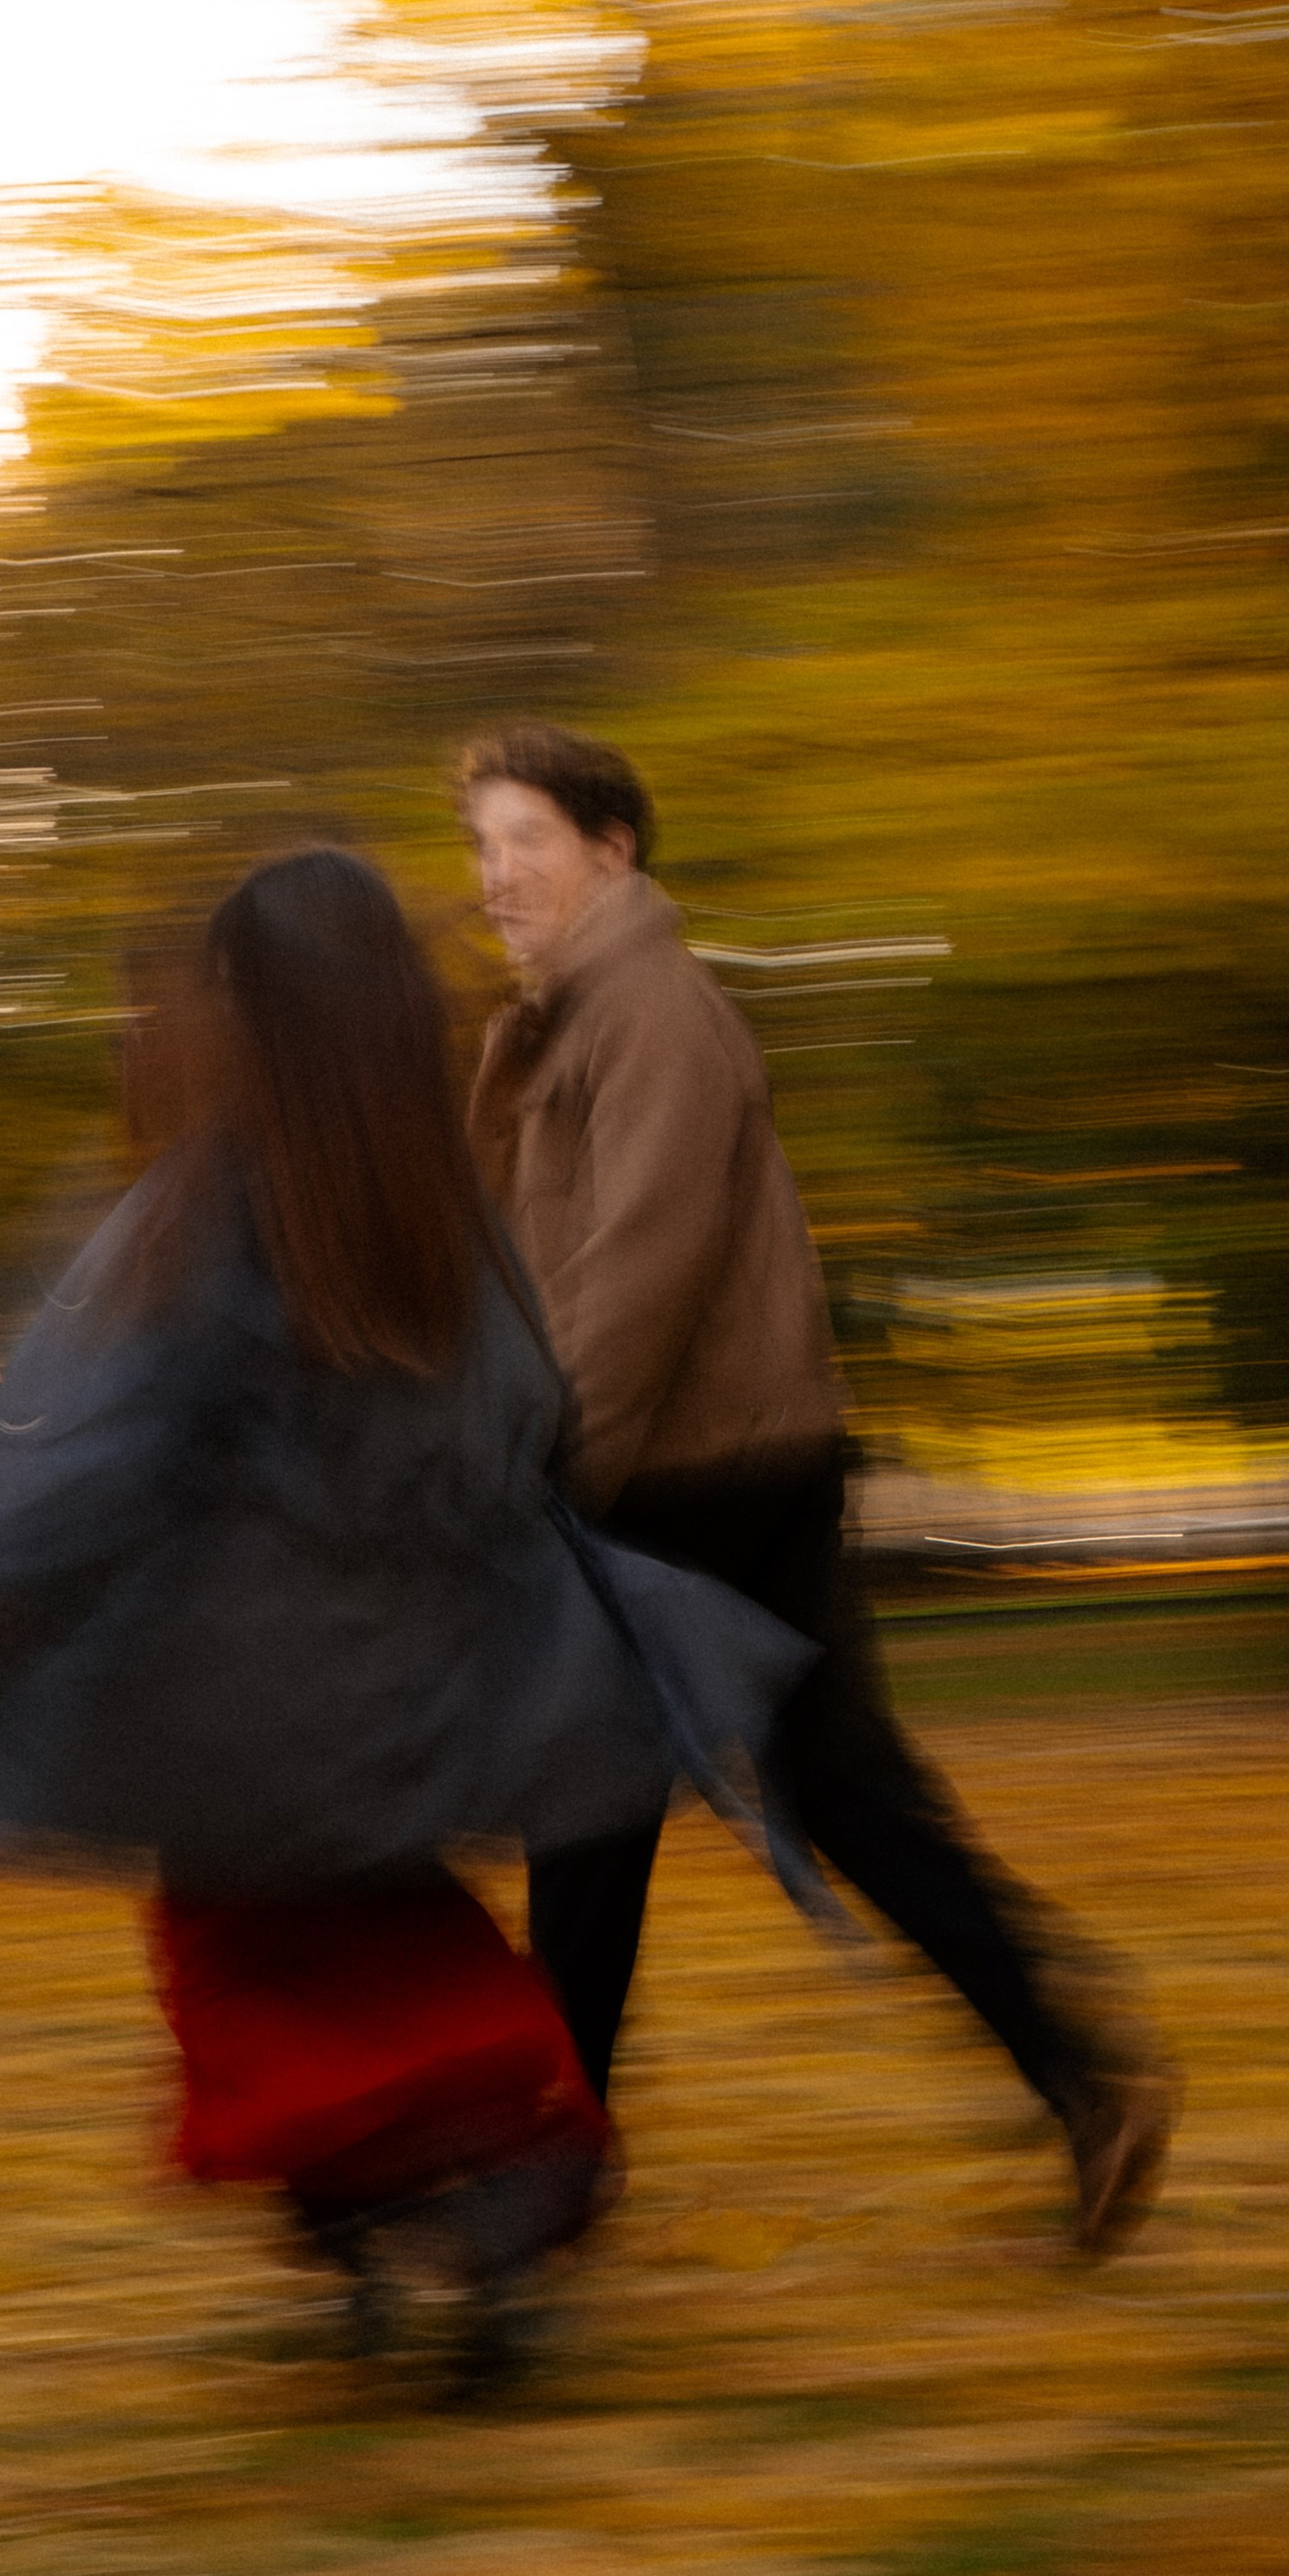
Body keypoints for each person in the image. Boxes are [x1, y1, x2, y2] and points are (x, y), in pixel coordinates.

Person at [0, 847, 813, 2379]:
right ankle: (444, 2189)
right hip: (399, 1672)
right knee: (383, 1917)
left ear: (242, 1007)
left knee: (246, 1950)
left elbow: (117, 1434)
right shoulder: (430, 1198)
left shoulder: (218, 1198)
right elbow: (523, 1408)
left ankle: (433, 2182)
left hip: (239, 1680)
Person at [458, 725, 1173, 2253]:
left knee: (594, 1825)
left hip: (682, 1476)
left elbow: (640, 1270)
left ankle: (551, 2181)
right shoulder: (578, 1021)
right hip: (719, 1464)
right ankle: (1081, 2074)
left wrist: (549, 1476)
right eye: (483, 846)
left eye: (526, 840)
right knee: (835, 1795)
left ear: (611, 850)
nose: (496, 875)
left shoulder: (651, 1011)